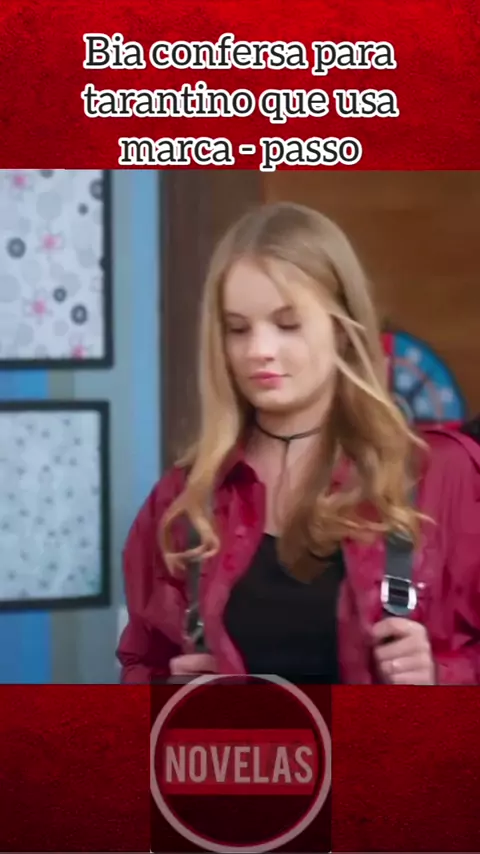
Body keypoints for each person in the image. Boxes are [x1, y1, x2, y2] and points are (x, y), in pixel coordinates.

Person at [117, 202, 480, 685]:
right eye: (238, 329)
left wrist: (441, 675)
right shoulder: (184, 501)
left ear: (342, 329)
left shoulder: (444, 475)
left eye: (287, 324)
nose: (258, 350)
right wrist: (169, 692)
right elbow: (140, 664)